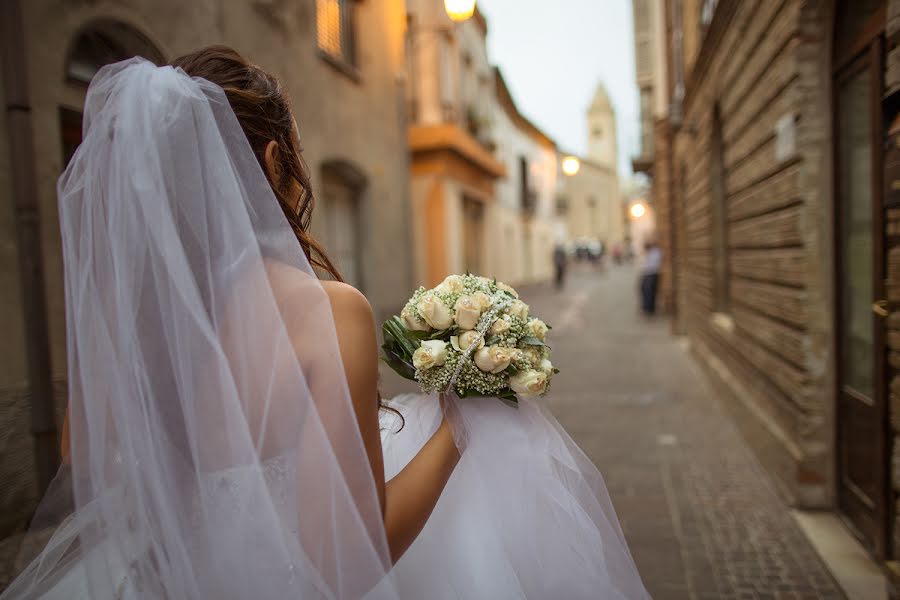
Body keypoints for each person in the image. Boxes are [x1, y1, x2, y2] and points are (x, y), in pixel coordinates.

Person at [3, 49, 648, 599]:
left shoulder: (132, 318)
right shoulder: (327, 312)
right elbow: (345, 562)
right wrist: (461, 424)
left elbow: (81, 461)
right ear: (279, 159)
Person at [639, 239, 662, 316]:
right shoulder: (650, 252)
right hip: (648, 274)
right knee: (645, 290)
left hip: (652, 274)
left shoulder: (656, 252)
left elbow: (653, 265)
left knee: (650, 292)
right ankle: (647, 308)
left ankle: (650, 309)